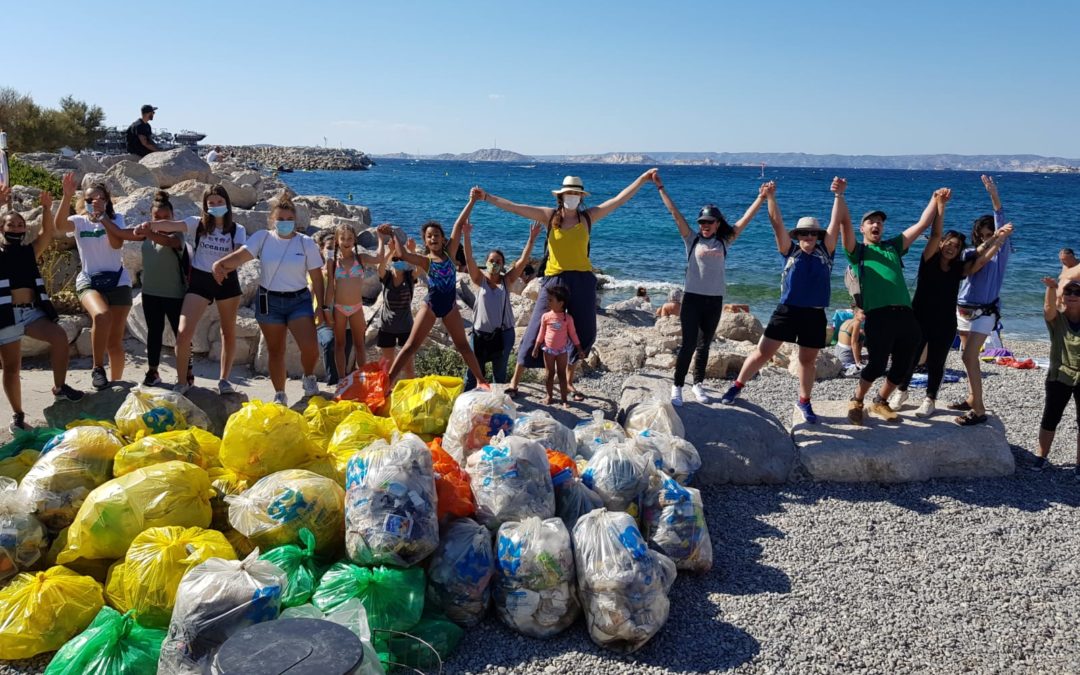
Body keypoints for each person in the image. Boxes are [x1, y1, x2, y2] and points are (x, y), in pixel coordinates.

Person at [474, 170, 656, 401]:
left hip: (582, 280)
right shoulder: (549, 216)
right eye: (568, 193)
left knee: (585, 333)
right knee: (534, 331)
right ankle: (515, 381)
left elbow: (619, 199)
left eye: (576, 193)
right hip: (555, 280)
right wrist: (487, 197)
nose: (572, 196)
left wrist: (642, 179)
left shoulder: (588, 217)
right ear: (561, 196)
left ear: (581, 197)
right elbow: (515, 207)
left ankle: (568, 382)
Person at [721, 179, 843, 422]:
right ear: (797, 236)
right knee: (763, 353)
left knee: (807, 361)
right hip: (787, 311)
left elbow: (835, 223)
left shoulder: (825, 252)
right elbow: (777, 224)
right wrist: (771, 198)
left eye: (812, 233)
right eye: (804, 233)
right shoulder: (790, 251)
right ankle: (737, 386)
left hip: (814, 313)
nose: (808, 236)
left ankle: (804, 401)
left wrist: (839, 196)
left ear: (818, 236)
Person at [653, 171, 766, 406]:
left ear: (717, 224)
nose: (704, 226)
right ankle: (677, 386)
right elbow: (675, 214)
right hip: (692, 299)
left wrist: (761, 198)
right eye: (702, 222)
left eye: (709, 222)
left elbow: (745, 219)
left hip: (714, 301)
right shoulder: (691, 239)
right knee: (688, 344)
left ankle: (697, 384)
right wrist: (661, 188)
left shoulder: (724, 241)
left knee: (705, 345)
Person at [892, 190, 1007, 419]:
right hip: (919, 316)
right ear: (942, 243)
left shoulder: (959, 270)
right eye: (948, 243)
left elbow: (981, 257)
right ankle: (901, 391)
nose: (950, 248)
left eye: (956, 246)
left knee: (937, 360)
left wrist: (998, 239)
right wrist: (940, 207)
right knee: (911, 357)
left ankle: (930, 399)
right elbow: (934, 234)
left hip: (944, 321)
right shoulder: (928, 261)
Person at [839, 183, 942, 425]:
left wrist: (934, 199)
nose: (876, 225)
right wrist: (840, 195)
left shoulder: (893, 248)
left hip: (905, 315)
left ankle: (880, 400)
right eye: (871, 222)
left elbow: (921, 225)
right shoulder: (859, 252)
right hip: (879, 315)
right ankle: (857, 400)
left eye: (880, 222)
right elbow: (844, 227)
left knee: (906, 364)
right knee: (876, 364)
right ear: (862, 228)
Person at [212, 193, 327, 406]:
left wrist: (321, 306)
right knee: (276, 350)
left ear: (296, 220)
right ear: (272, 220)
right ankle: (280, 393)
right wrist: (220, 264)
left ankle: (309, 376)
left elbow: (317, 278)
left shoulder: (306, 243)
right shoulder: (263, 238)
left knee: (310, 347)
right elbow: (241, 256)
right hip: (269, 301)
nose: (284, 223)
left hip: (299, 301)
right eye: (280, 219)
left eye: (288, 219)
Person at [0, 183, 84, 432]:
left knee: (59, 337)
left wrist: (47, 208)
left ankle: (60, 388)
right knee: (12, 368)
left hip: (32, 312)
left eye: (19, 224)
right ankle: (18, 414)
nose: (16, 228)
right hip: (6, 315)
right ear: (2, 228)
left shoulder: (29, 251)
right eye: (10, 225)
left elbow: (48, 233)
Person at [384, 195, 489, 386]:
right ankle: (387, 383)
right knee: (410, 347)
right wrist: (392, 234)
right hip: (431, 305)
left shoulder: (450, 254)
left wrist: (472, 201)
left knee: (463, 346)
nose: (433, 238)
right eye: (429, 236)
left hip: (449, 306)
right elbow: (403, 254)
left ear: (443, 239)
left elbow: (458, 225)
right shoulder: (426, 261)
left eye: (436, 235)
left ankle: (482, 381)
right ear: (425, 241)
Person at [153, 185, 247, 394]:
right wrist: (149, 224)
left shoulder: (237, 229)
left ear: (227, 203)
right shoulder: (197, 224)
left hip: (227, 280)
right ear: (205, 205)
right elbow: (171, 225)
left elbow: (240, 253)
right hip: (200, 281)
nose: (215, 206)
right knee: (183, 332)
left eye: (219, 202)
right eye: (211, 203)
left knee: (228, 332)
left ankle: (224, 380)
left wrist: (223, 266)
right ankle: (181, 381)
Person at [55, 175, 142, 390]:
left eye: (98, 199)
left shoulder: (116, 219)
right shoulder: (79, 221)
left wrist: (103, 217)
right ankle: (97, 368)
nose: (93, 203)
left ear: (106, 200)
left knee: (114, 343)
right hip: (89, 281)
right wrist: (66, 197)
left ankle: (116, 386)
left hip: (118, 281)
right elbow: (58, 226)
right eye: (88, 199)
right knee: (101, 316)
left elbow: (116, 243)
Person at [951, 175, 1016, 424]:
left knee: (969, 357)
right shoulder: (970, 253)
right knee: (966, 355)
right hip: (963, 308)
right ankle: (971, 398)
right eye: (981, 235)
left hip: (985, 312)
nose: (985, 237)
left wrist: (993, 195)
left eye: (991, 233)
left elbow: (1001, 216)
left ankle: (978, 410)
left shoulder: (1001, 253)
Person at [460, 219, 541, 391]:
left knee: (499, 375)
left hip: (503, 335)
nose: (494, 264)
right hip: (479, 335)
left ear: (503, 265)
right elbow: (468, 258)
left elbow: (523, 260)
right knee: (472, 375)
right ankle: (466, 406)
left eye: (498, 261)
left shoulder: (507, 280)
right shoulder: (478, 279)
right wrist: (466, 235)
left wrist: (531, 239)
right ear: (486, 262)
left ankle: (497, 407)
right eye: (491, 260)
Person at [133, 191, 187, 387]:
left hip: (175, 294)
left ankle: (186, 374)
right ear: (151, 218)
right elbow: (124, 233)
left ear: (173, 218)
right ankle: (153, 371)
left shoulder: (178, 234)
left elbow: (171, 242)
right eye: (157, 218)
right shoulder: (145, 234)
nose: (162, 221)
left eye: (166, 218)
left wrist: (150, 232)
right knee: (153, 333)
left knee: (181, 336)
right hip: (150, 293)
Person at [324, 222, 385, 383]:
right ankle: (342, 378)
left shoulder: (360, 258)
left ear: (354, 241)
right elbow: (330, 287)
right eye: (343, 238)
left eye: (350, 238)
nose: (346, 241)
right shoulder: (333, 263)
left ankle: (361, 376)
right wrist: (325, 308)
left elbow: (379, 258)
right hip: (339, 308)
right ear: (337, 240)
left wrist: (380, 238)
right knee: (340, 344)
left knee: (359, 343)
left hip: (357, 308)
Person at [1032, 277, 1080, 478]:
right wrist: (1052, 288)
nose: (1072, 296)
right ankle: (1041, 456)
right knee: (1051, 416)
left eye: (1077, 293)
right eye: (1068, 292)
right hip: (1059, 375)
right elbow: (1048, 308)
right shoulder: (1057, 320)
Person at [373, 231, 416, 378]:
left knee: (408, 365)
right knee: (387, 365)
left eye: (401, 259)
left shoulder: (410, 277)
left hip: (406, 326)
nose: (398, 262)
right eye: (396, 259)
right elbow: (380, 268)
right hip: (387, 326)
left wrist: (412, 251)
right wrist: (390, 251)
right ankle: (386, 391)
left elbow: (422, 268)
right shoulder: (387, 277)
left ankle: (412, 392)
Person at [532, 285, 582, 407]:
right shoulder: (546, 316)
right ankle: (549, 396)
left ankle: (564, 399)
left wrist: (579, 348)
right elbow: (541, 333)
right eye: (548, 299)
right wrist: (536, 347)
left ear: (561, 303)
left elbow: (573, 334)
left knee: (561, 374)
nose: (548, 302)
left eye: (551, 300)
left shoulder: (567, 318)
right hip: (548, 350)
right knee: (549, 374)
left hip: (562, 351)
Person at [314, 230, 352, 385]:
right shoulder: (314, 271)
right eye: (329, 247)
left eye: (335, 248)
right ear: (321, 249)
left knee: (348, 347)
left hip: (344, 317)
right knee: (330, 342)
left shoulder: (345, 269)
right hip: (323, 319)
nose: (332, 251)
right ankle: (332, 382)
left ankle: (345, 381)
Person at [835, 308, 865, 376]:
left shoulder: (848, 320)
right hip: (845, 356)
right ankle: (854, 364)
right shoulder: (857, 323)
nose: (865, 315)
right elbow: (853, 343)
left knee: (861, 334)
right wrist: (858, 363)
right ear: (855, 313)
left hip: (837, 352)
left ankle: (858, 359)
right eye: (862, 313)